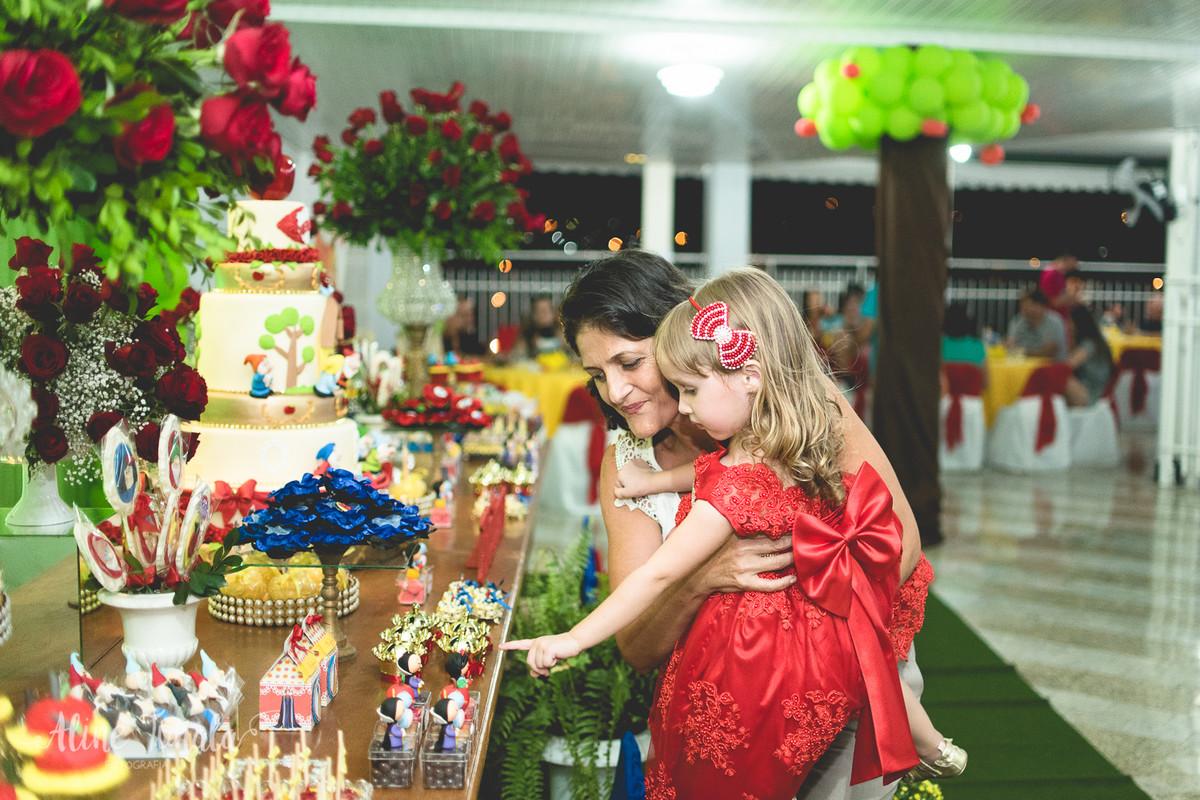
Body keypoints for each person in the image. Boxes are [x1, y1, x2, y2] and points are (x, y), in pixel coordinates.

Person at [505, 268, 924, 797]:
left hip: (850, 676)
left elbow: (901, 542)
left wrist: (812, 652)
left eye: (629, 363)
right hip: (731, 712)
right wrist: (705, 575)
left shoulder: (791, 400)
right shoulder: (630, 467)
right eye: (597, 375)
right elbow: (637, 645)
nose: (615, 391)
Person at [1064, 305, 1114, 407]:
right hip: (1088, 389)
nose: (1068, 326)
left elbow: (1067, 365)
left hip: (1094, 395)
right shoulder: (1092, 341)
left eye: (1070, 322)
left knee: (1062, 379)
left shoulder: (1089, 344)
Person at [1005, 288, 1068, 361]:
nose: (1024, 308)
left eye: (1027, 305)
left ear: (1040, 306)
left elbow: (1049, 353)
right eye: (1022, 305)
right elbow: (1010, 344)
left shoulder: (1054, 322)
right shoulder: (1018, 321)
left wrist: (1023, 354)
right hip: (1023, 365)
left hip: (1052, 366)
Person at [515, 293, 568, 359]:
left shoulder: (563, 334)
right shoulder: (526, 335)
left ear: (554, 313)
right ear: (532, 315)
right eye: (537, 311)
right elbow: (517, 356)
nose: (541, 316)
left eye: (544, 311)